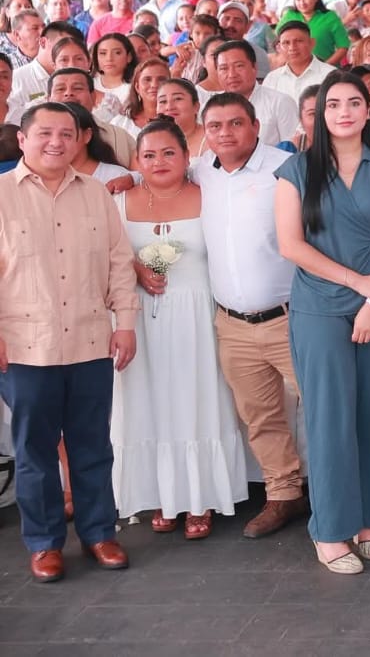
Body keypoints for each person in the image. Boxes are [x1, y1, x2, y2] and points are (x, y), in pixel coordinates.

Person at [274, 74, 370, 574]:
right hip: (320, 303)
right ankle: (331, 528)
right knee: (330, 416)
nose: (344, 112)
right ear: (319, 114)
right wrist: (357, 283)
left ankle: (369, 518)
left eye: (354, 102)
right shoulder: (296, 170)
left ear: (368, 110)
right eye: (332, 104)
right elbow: (291, 245)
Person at [0, 102, 138, 582]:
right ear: (23, 139)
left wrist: (125, 322)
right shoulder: (1, 195)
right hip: (25, 346)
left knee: (92, 443)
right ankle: (44, 543)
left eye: (66, 133)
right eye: (45, 133)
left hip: (89, 339)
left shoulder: (96, 194)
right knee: (35, 450)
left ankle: (100, 533)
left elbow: (119, 261)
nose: (56, 142)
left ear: (80, 139)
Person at [110, 118, 248, 539]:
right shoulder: (119, 200)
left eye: (169, 152)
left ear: (188, 156)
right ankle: (161, 493)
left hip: (197, 316)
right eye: (149, 155)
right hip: (140, 320)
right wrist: (136, 268)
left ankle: (200, 495)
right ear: (137, 161)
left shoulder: (210, 195)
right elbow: (107, 255)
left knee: (197, 398)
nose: (159, 161)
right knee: (148, 401)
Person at [191, 93, 310, 538]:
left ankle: (338, 496)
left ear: (256, 126)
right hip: (233, 325)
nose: (225, 133)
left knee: (322, 408)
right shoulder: (200, 171)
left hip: (292, 317)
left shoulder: (286, 167)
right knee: (261, 417)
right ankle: (284, 494)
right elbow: (153, 173)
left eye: (235, 123)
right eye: (215, 125)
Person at [278, 0, 350, 65]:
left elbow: (343, 46)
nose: (302, 3)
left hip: (326, 69)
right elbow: (277, 42)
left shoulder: (330, 17)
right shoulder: (289, 16)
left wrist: (324, 67)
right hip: (294, 68)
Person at [265, 21, 336, 100]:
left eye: (298, 41)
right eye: (286, 43)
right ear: (279, 48)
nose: (292, 48)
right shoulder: (272, 78)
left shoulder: (331, 75)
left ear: (312, 43)